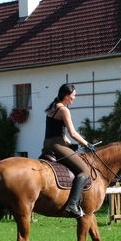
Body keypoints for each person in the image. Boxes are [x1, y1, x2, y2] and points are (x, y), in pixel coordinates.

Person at [43, 83, 96, 218]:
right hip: (57, 146)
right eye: (73, 96)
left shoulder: (53, 107)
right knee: (84, 170)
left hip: (48, 144)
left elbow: (58, 132)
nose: (74, 98)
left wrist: (69, 144)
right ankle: (72, 205)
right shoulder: (64, 110)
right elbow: (73, 133)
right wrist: (87, 144)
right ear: (66, 96)